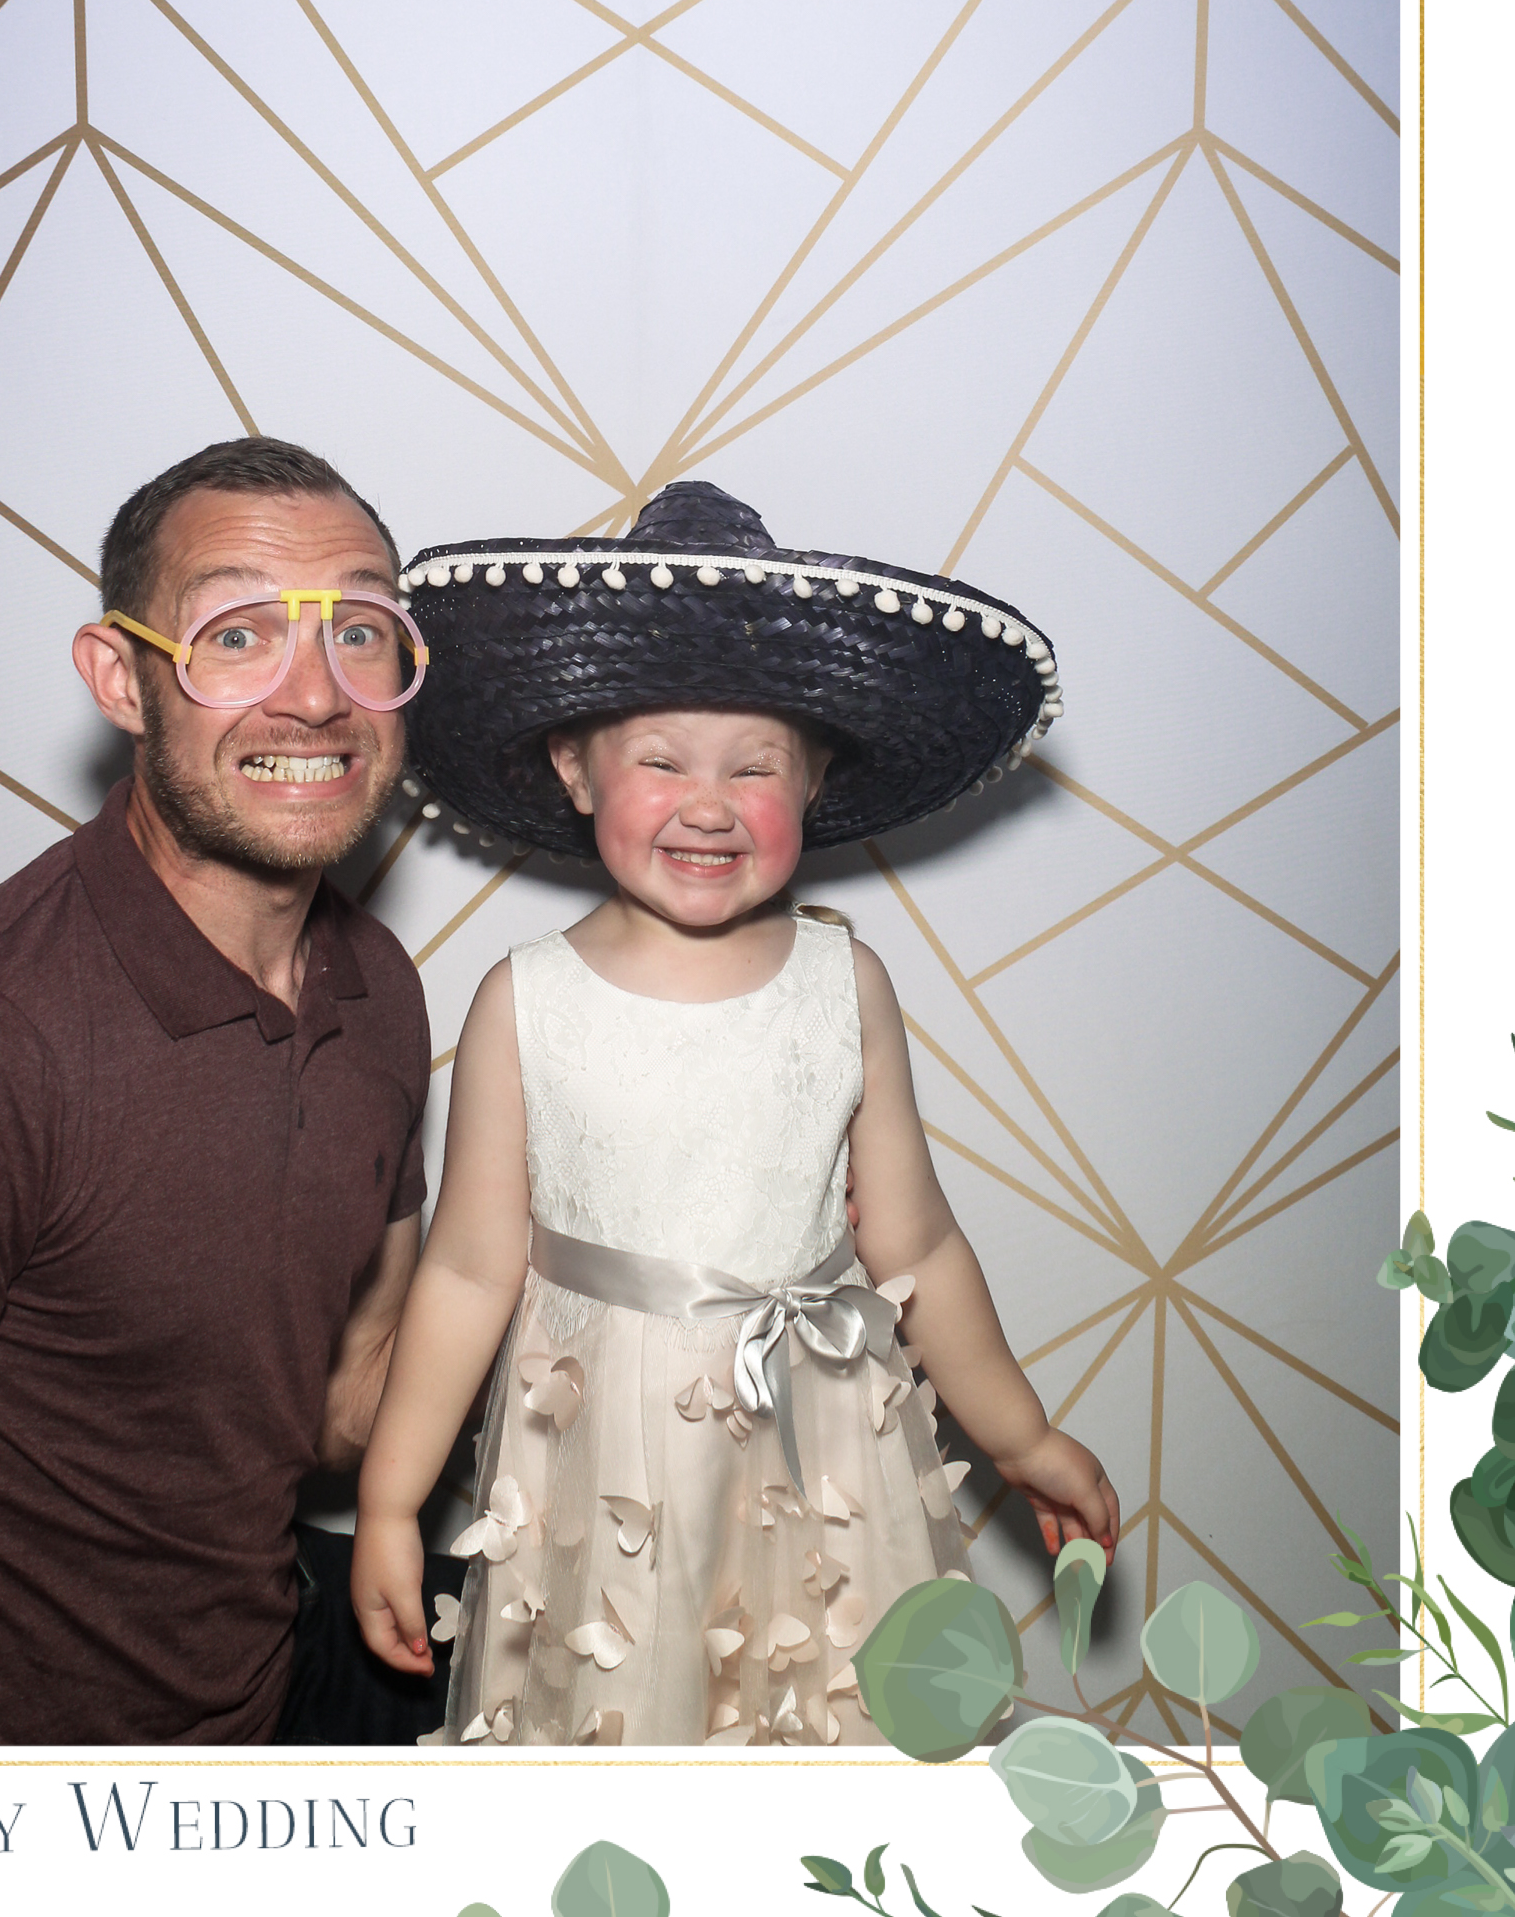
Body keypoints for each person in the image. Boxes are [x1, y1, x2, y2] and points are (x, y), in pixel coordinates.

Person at [349, 479, 1120, 1748]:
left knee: (839, 1750)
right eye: (661, 761)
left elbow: (918, 1244)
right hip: (608, 1473)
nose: (707, 804)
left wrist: (1023, 1437)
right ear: (574, 768)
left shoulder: (845, 983)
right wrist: (391, 1502)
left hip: (827, 1454)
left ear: (814, 781)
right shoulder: (523, 1002)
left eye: (754, 767)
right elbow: (470, 1270)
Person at [0, 437, 456, 1747]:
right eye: (238, 635)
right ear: (122, 678)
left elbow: (344, 1412)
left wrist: (606, 1259)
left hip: (271, 1695)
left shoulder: (378, 988)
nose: (315, 698)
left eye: (358, 631)